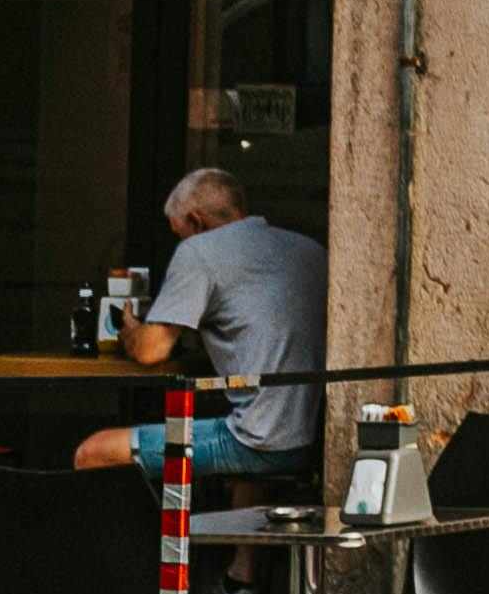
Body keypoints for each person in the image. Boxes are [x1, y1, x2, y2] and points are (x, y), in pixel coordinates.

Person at [80, 167, 328, 505]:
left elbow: (151, 350)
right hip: (311, 441)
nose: (180, 243)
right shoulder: (309, 249)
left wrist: (132, 331)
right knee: (247, 431)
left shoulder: (198, 251)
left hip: (254, 441)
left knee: (94, 452)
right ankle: (243, 561)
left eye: (179, 233)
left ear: (196, 222)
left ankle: (119, 557)